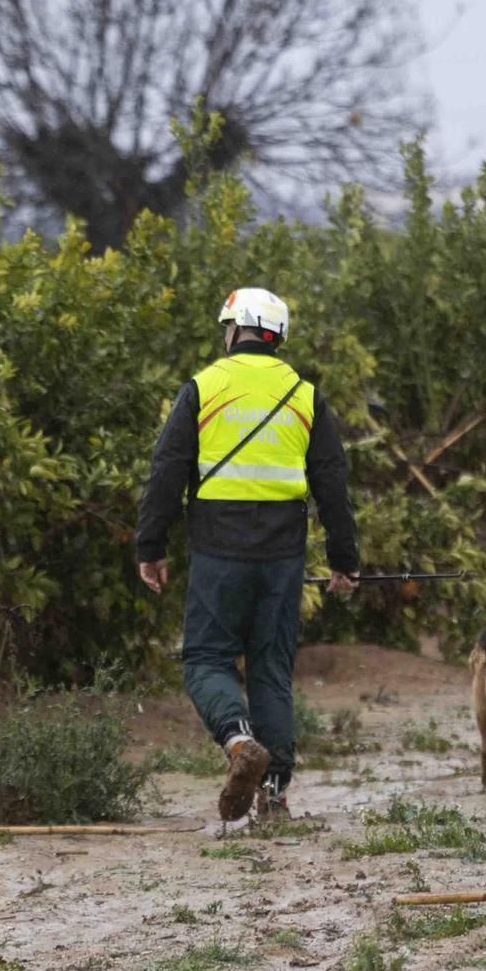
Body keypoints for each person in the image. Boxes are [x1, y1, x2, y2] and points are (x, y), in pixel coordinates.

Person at [134, 289, 360, 822]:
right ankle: (274, 795)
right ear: (276, 336)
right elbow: (332, 483)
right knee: (271, 668)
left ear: (236, 329)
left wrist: (151, 546)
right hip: (283, 554)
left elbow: (167, 470)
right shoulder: (305, 395)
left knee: (205, 660)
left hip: (218, 549)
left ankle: (238, 741)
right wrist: (344, 559)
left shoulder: (203, 387)